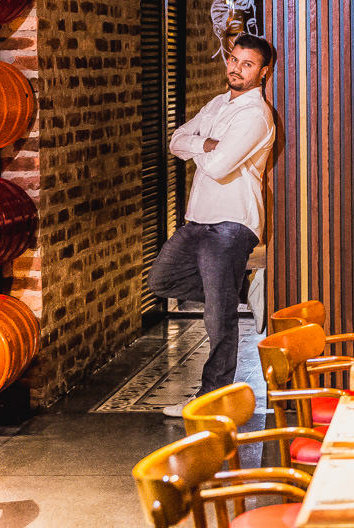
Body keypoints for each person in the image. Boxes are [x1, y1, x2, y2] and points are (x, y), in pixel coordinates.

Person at [148, 33, 277, 418]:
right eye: (234, 60)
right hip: (199, 219)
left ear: (263, 72)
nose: (236, 68)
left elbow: (219, 167)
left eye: (247, 64)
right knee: (161, 280)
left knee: (218, 319)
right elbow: (176, 141)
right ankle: (244, 289)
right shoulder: (218, 103)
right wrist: (206, 144)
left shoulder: (255, 115)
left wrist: (201, 147)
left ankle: (211, 400)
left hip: (232, 223)